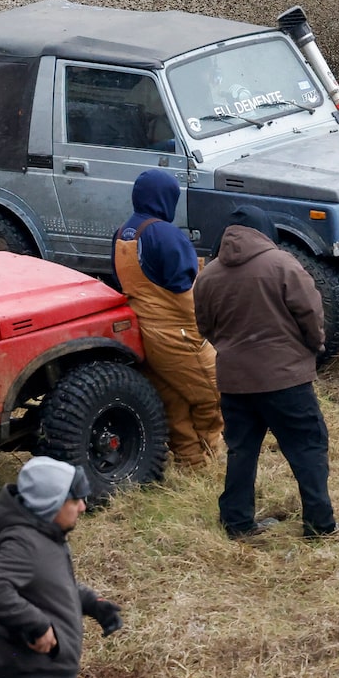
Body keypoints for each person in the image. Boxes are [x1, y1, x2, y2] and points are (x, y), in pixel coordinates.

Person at [193, 205, 339, 539]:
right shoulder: (284, 264)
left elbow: (205, 326)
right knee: (307, 448)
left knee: (242, 450)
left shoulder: (209, 274)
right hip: (285, 379)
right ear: (265, 232)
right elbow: (311, 314)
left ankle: (237, 523)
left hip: (235, 381)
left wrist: (233, 351)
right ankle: (320, 524)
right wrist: (313, 347)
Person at [0, 457, 123, 678]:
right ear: (52, 503)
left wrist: (92, 603)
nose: (83, 507)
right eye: (75, 500)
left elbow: (48, 586)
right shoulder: (23, 542)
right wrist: (37, 625)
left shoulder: (46, 537)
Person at [112, 169, 223, 468]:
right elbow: (182, 285)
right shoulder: (166, 234)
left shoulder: (123, 232)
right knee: (212, 392)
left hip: (143, 331)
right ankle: (213, 458)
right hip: (177, 332)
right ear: (165, 198)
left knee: (174, 400)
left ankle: (190, 462)